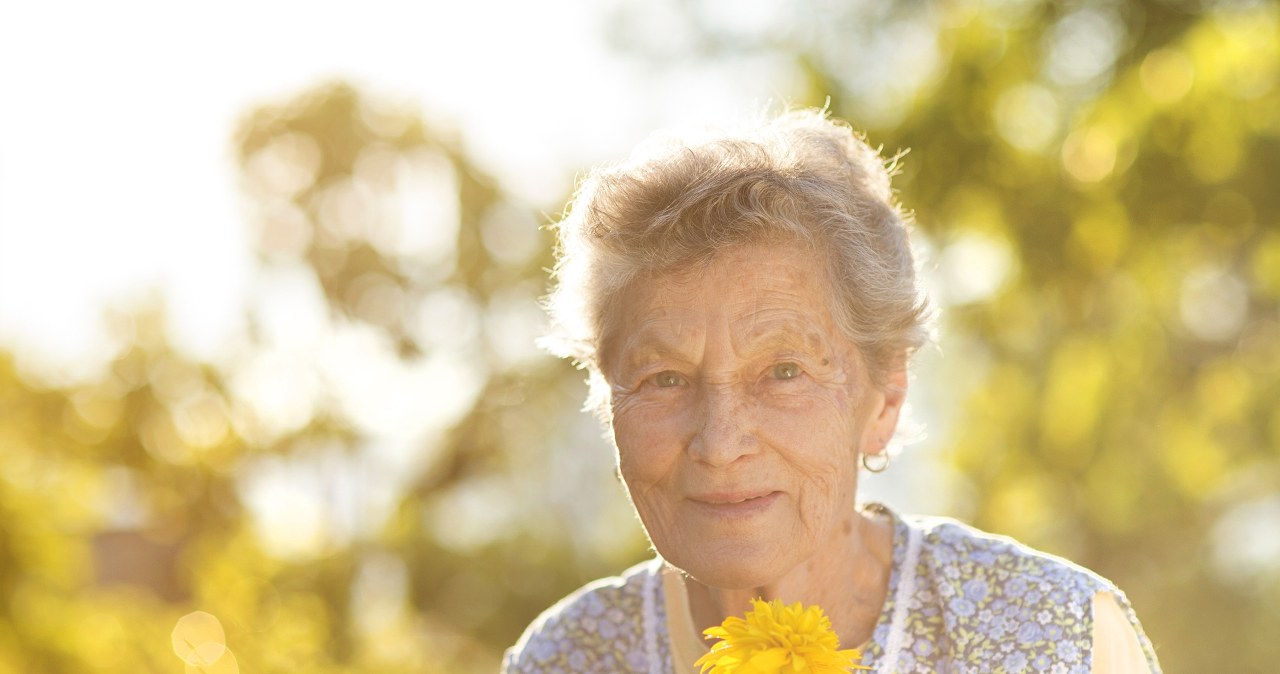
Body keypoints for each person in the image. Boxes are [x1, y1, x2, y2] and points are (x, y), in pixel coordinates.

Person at [504, 110, 1162, 673]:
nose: (720, 442)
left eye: (783, 372)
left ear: (886, 395)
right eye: (664, 379)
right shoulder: (565, 657)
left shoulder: (1055, 641)